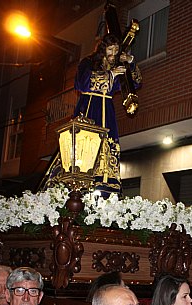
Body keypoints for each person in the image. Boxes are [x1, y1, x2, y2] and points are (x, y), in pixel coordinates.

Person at [73, 33, 142, 196]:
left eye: (116, 50)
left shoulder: (118, 65)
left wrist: (131, 62)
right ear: (103, 49)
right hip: (90, 107)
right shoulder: (89, 62)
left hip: (107, 110)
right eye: (110, 50)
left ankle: (107, 183)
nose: (113, 54)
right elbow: (81, 83)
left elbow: (136, 82)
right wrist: (111, 75)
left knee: (108, 144)